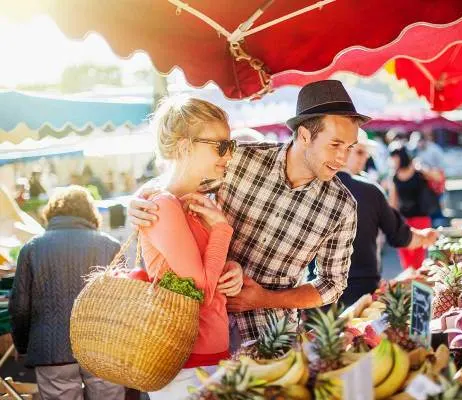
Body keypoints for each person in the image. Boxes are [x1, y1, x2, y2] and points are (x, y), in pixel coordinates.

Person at [129, 80, 367, 344]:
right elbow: (181, 180)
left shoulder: (342, 207)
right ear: (304, 136)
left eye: (349, 147)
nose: (343, 159)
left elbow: (332, 285)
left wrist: (265, 298)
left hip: (271, 338)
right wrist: (140, 198)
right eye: (335, 145)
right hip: (201, 327)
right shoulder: (239, 159)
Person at [139, 96, 242, 399]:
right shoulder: (164, 205)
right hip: (186, 363)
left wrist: (232, 270)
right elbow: (200, 288)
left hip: (211, 354)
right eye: (220, 146)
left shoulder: (199, 203)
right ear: (184, 146)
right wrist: (222, 230)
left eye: (230, 146)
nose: (228, 155)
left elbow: (208, 273)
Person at [9, 186, 125, 400]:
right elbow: (124, 304)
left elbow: (20, 306)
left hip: (52, 350)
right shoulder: (110, 246)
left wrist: (23, 345)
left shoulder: (32, 248)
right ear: (90, 213)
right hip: (103, 349)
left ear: (52, 212)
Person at [336, 131, 438, 305]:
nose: (365, 158)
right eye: (360, 152)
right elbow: (399, 235)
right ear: (343, 151)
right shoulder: (369, 190)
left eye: (366, 153)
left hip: (316, 293)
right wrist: (426, 237)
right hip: (361, 289)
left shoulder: (312, 189)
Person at [389, 145, 440, 270]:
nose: (392, 161)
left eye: (394, 158)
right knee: (405, 257)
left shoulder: (418, 172)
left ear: (401, 157)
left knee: (418, 258)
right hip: (403, 220)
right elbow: (393, 202)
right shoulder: (395, 177)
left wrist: (421, 168)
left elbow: (437, 177)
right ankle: (409, 284)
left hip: (421, 218)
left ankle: (416, 284)